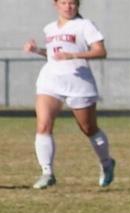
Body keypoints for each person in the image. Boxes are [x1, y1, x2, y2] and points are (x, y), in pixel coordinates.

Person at [22, 0, 116, 189]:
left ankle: (106, 163)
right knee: (43, 125)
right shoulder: (49, 28)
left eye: (72, 3)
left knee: (89, 128)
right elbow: (54, 55)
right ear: (55, 5)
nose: (68, 7)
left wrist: (74, 55)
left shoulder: (85, 25)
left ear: (78, 5)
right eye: (64, 3)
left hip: (78, 82)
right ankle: (47, 173)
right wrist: (37, 50)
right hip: (50, 81)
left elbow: (101, 51)